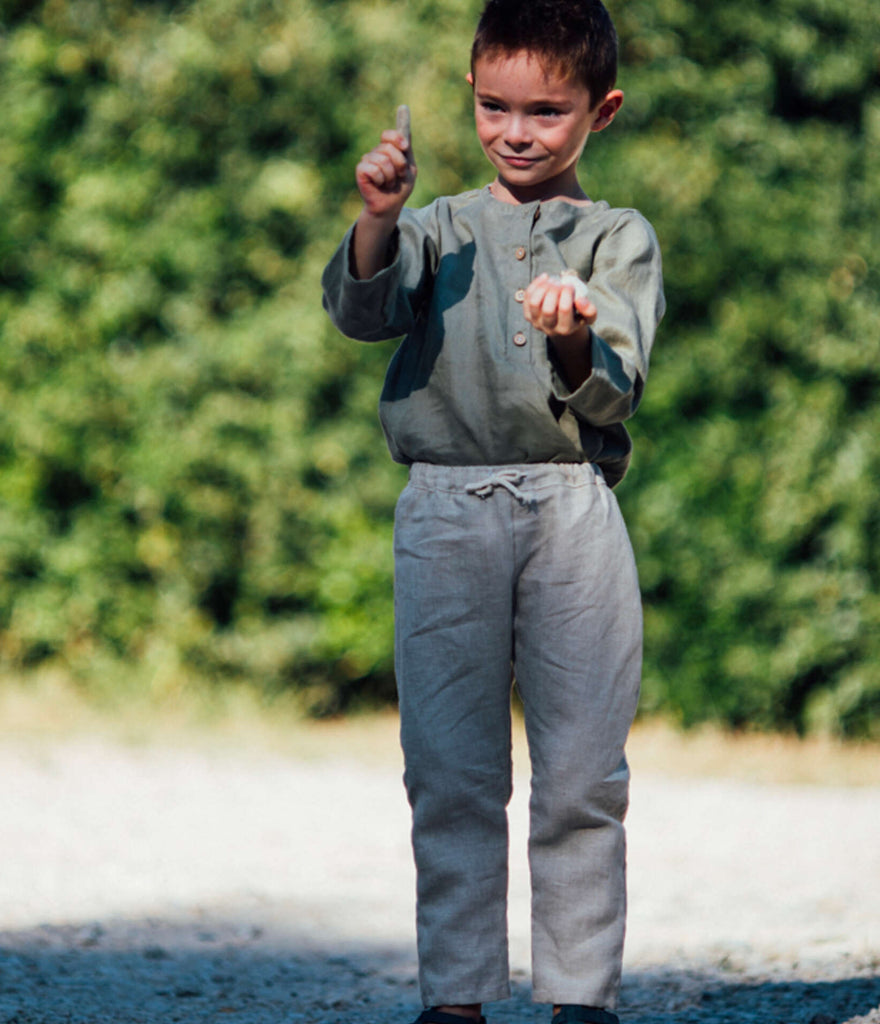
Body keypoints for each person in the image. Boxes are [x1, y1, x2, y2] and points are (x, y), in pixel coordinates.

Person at [321, 1, 665, 1022]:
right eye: (493, 105)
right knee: (450, 771)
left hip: (572, 512)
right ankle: (456, 1000)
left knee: (579, 776)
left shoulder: (618, 239)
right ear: (471, 94)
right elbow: (362, 313)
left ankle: (578, 998)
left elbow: (615, 386)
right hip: (444, 512)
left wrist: (570, 338)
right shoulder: (437, 229)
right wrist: (380, 215)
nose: (516, 131)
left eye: (546, 112)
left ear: (598, 112)